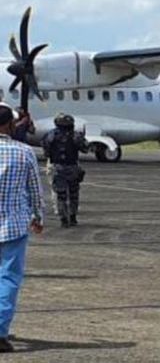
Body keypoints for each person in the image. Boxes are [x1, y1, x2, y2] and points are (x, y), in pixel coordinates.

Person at [0, 104, 44, 353]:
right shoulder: (24, 152)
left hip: (12, 225)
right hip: (13, 225)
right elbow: (34, 189)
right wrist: (38, 217)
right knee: (8, 277)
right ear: (10, 125)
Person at [41, 114, 88, 227]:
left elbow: (46, 151)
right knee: (73, 194)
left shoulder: (51, 135)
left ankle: (63, 219)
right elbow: (85, 148)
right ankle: (72, 216)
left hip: (57, 167)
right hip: (72, 167)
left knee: (61, 195)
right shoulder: (75, 135)